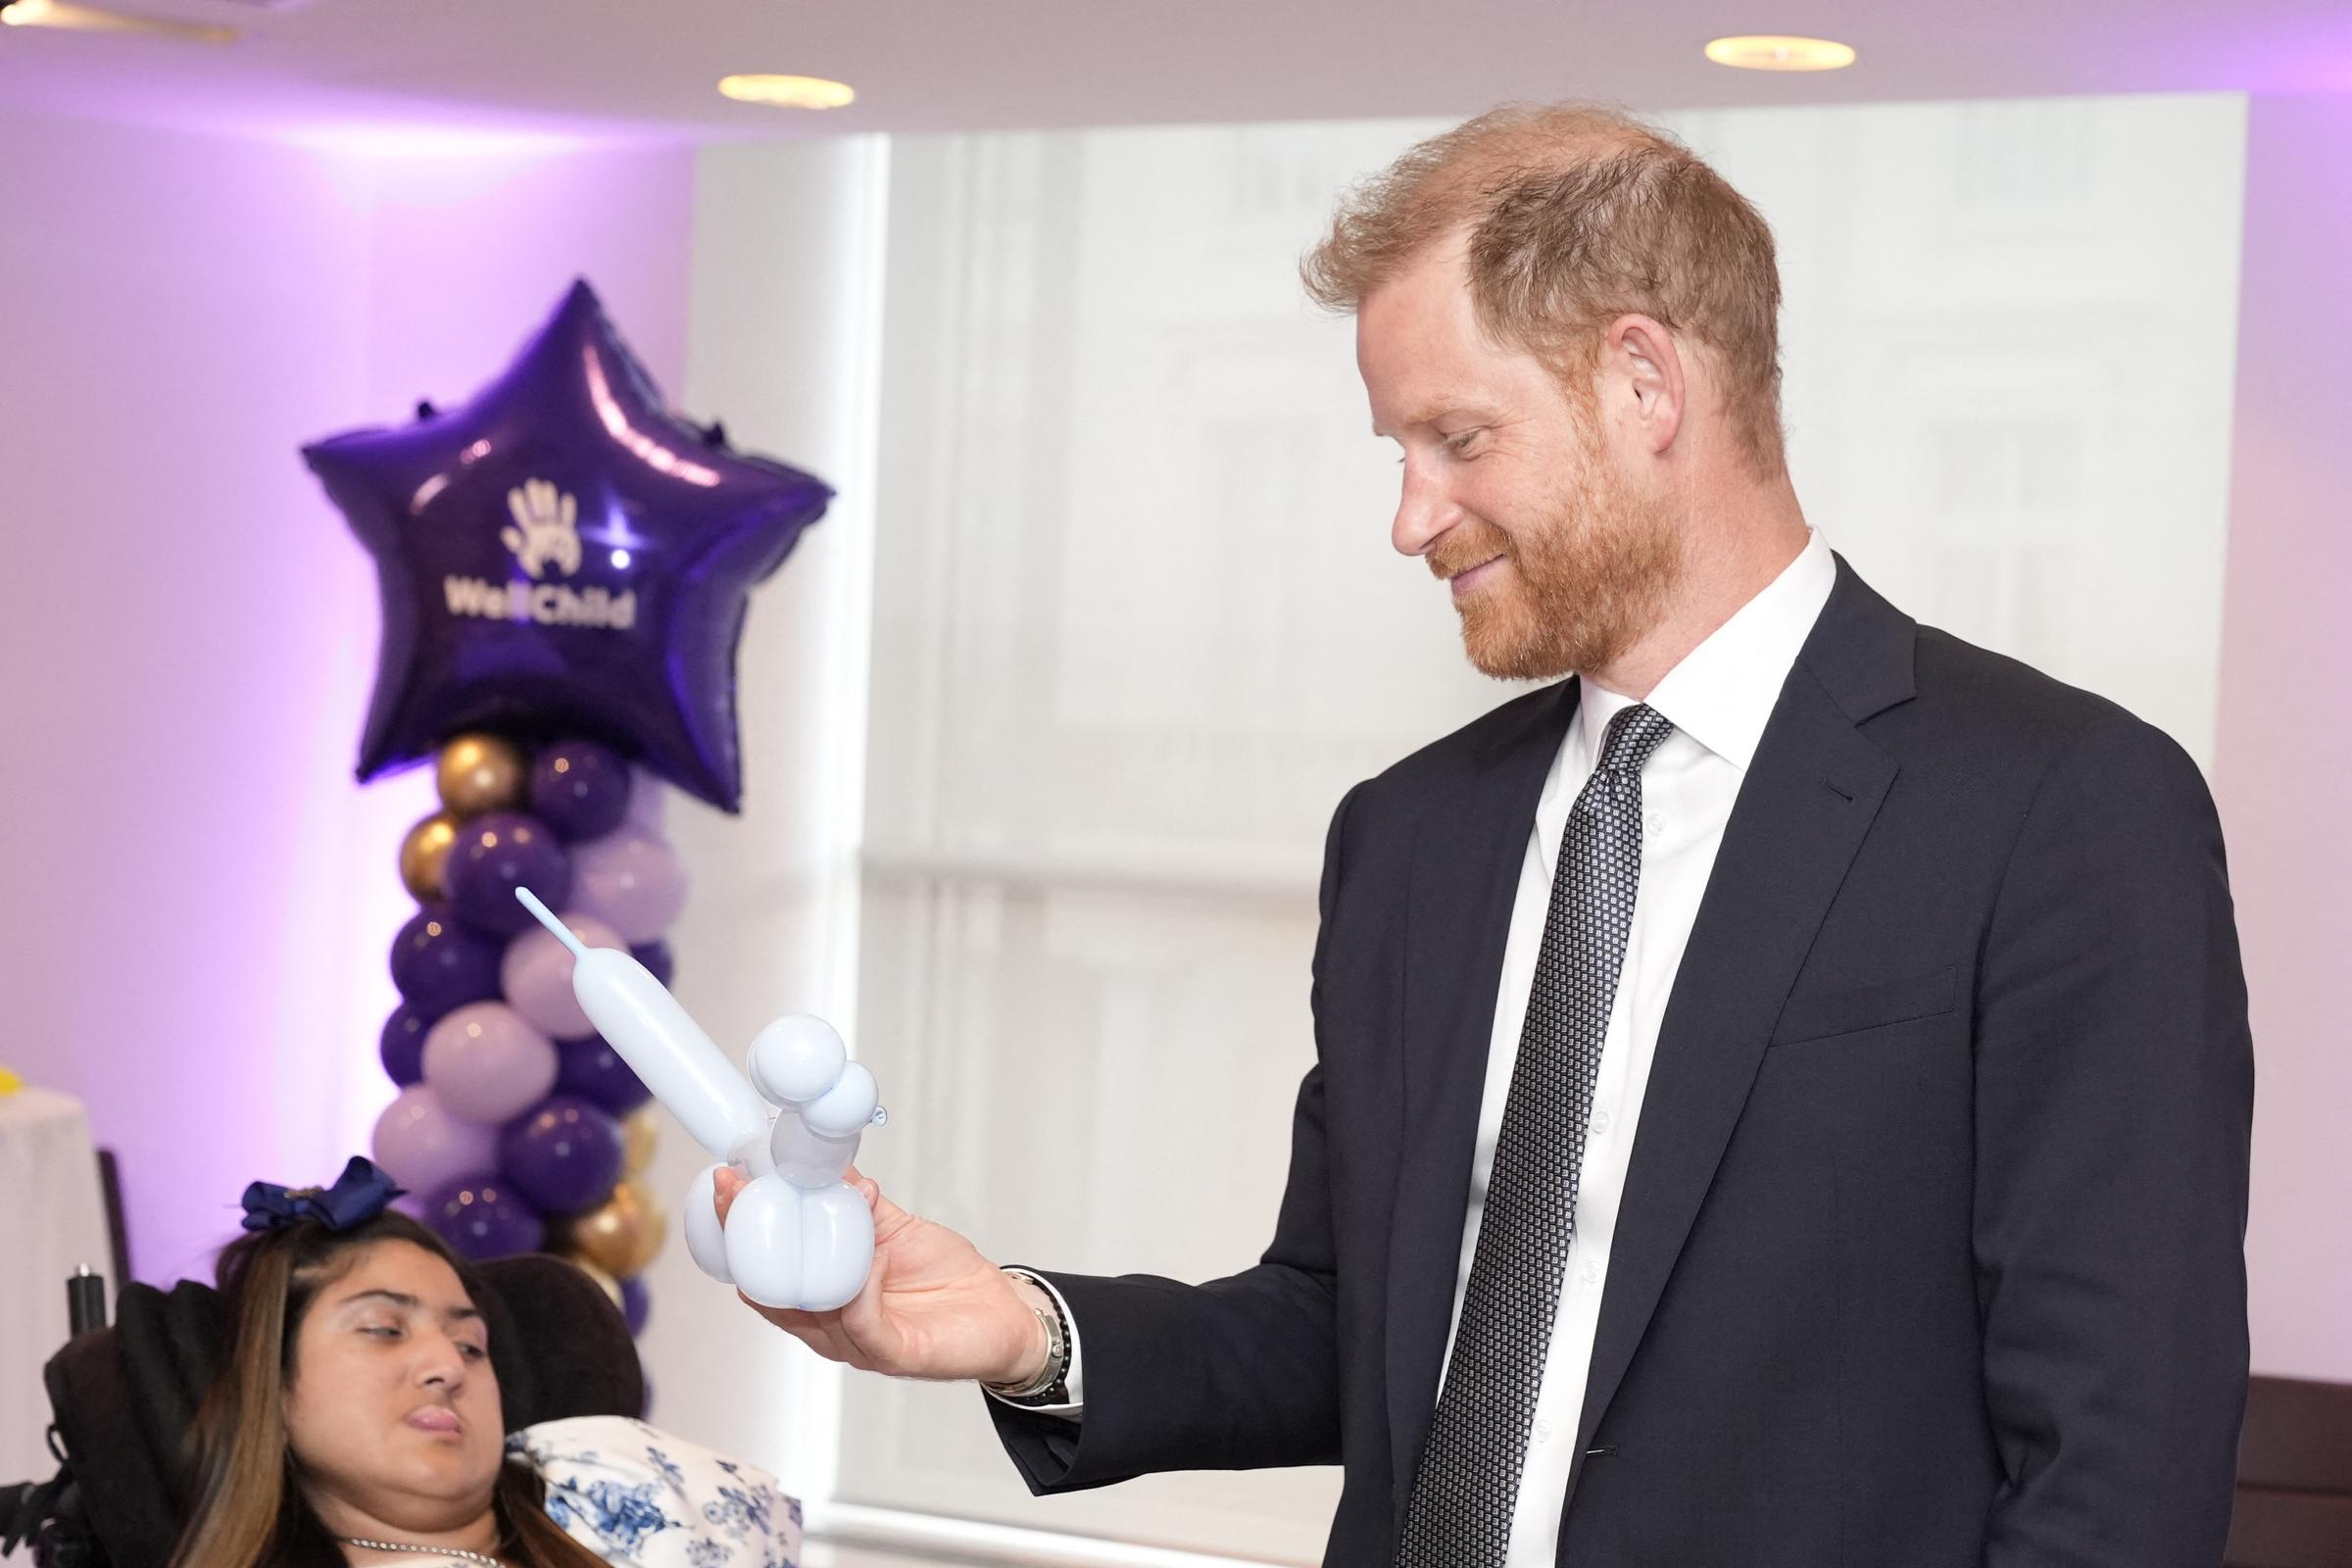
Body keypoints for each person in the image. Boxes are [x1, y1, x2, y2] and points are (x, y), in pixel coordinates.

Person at [718, 102, 2254, 1567]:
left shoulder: (2061, 810)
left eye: (1457, 437)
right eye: (1398, 452)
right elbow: (1349, 1322)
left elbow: (2117, 1454)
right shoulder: (1413, 840)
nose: (1410, 516)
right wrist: (1017, 1327)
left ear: (1645, 382)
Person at [171, 1158, 798, 1568]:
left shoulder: (613, 1480)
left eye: (472, 1345)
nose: (448, 1364)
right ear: (274, 1385)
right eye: (385, 1329)